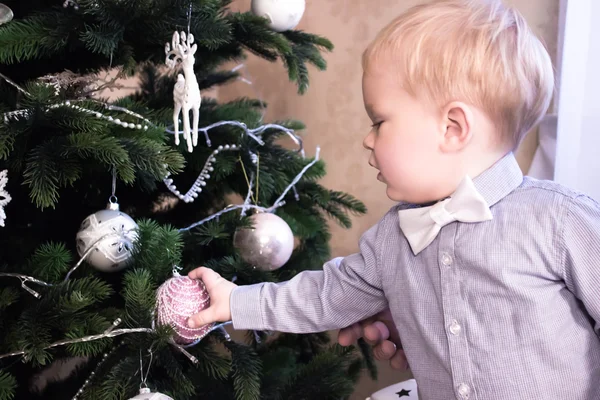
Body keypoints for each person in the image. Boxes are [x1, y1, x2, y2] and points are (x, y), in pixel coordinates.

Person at [187, 0, 600, 398]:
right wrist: (237, 301)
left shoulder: (559, 221)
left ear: (453, 128)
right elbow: (326, 294)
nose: (367, 140)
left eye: (379, 121)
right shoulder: (392, 238)